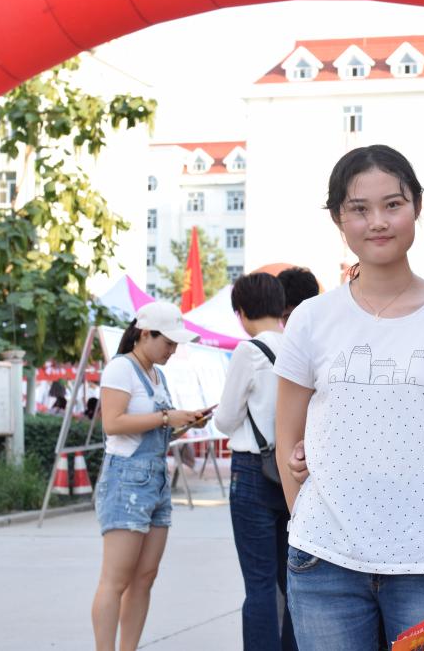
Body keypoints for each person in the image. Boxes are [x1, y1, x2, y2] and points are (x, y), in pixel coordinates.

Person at [273, 145, 424, 650]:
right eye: (359, 209)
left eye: (393, 204)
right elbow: (287, 439)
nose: (378, 222)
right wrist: (307, 523)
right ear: (338, 219)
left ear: (417, 207)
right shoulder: (311, 318)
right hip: (323, 564)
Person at [91, 302, 207, 651]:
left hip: (155, 479)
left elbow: (155, 431)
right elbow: (113, 423)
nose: (172, 350)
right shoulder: (120, 368)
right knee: (115, 580)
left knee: (144, 577)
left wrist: (184, 423)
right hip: (126, 479)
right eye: (168, 342)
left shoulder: (157, 374)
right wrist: (167, 417)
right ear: (145, 334)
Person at [213, 272, 302, 650]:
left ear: (242, 312)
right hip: (292, 471)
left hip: (252, 470)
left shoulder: (248, 351)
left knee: (260, 584)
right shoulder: (297, 346)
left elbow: (225, 419)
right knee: (291, 580)